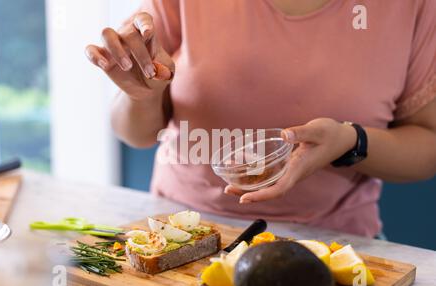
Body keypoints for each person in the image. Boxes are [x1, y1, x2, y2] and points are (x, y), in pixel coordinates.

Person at [85, 0, 436, 238]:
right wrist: (143, 94)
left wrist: (350, 141)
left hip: (332, 246)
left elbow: (427, 146)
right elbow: (135, 133)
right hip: (180, 234)